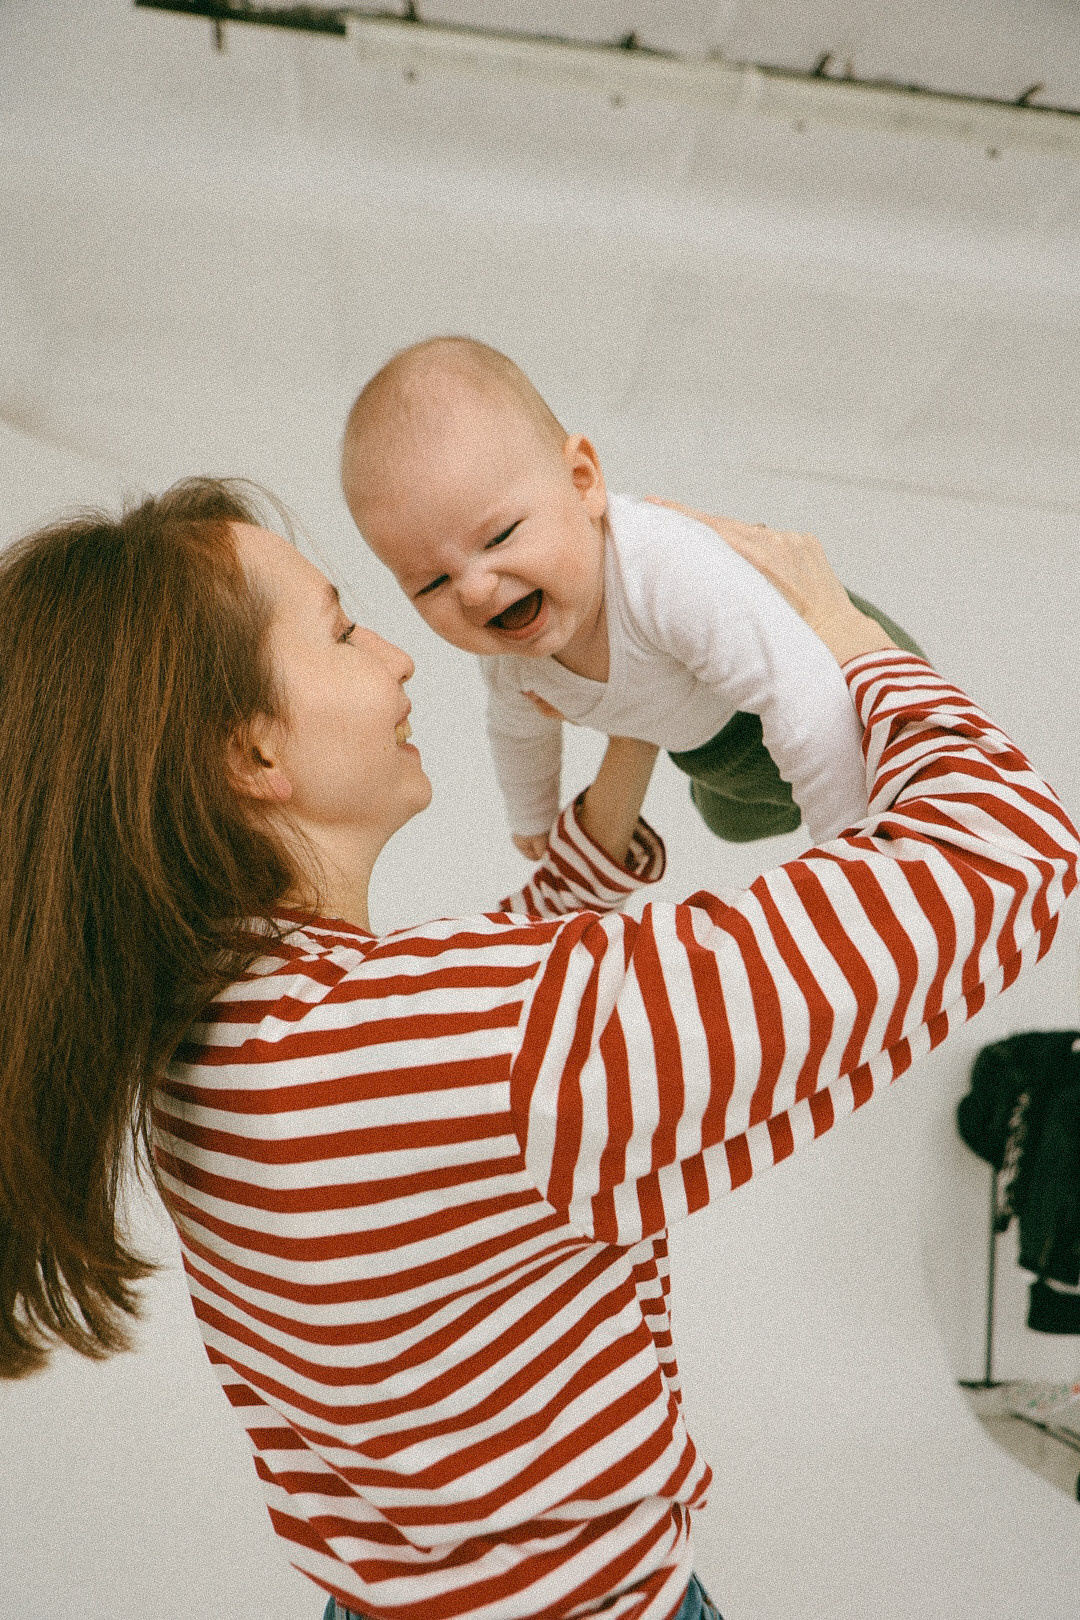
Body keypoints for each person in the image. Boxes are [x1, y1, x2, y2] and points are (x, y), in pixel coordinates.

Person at [0, 478, 1075, 1620]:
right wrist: (841, 630)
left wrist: (632, 734)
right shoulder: (435, 1044)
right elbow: (1006, 850)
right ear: (253, 750)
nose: (399, 658)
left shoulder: (225, 1030)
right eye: (341, 629)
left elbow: (490, 1014)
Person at [340, 336, 921, 858]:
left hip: (823, 678)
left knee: (891, 779)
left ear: (582, 482)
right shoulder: (512, 656)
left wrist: (848, 849)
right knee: (732, 821)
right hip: (707, 749)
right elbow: (518, 729)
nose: (474, 589)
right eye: (432, 583)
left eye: (499, 537)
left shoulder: (666, 572)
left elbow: (799, 692)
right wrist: (534, 816)